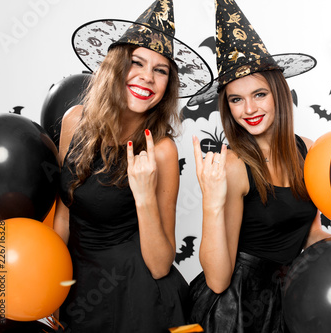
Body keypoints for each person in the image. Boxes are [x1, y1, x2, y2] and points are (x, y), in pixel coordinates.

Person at [53, 1, 212, 332]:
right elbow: (64, 215)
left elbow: (159, 265)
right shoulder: (73, 121)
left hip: (138, 298)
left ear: (169, 84)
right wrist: (54, 286)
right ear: (115, 67)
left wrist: (142, 196)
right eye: (136, 63)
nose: (147, 77)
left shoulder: (162, 150)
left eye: (161, 70)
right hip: (78, 288)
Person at [187, 1, 329, 332]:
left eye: (259, 94)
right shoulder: (235, 165)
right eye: (236, 99)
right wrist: (211, 199)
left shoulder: (306, 149)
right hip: (235, 308)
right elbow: (219, 280)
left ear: (278, 94)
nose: (248, 108)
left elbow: (312, 235)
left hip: (288, 296)